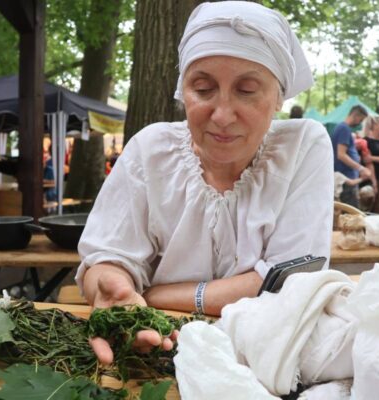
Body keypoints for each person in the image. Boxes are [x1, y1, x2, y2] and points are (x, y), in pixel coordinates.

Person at [76, 1, 334, 364]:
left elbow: (290, 281)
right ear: (183, 91)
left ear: (279, 97)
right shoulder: (151, 151)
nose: (223, 115)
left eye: (246, 90)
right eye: (203, 88)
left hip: (267, 357)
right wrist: (110, 285)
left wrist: (155, 294)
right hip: (157, 351)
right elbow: (108, 256)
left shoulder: (302, 147)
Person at [331, 105, 373, 207]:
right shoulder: (344, 129)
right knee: (351, 214)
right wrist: (361, 168)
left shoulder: (342, 128)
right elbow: (341, 155)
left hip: (347, 179)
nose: (360, 123)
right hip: (346, 181)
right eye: (361, 120)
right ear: (356, 116)